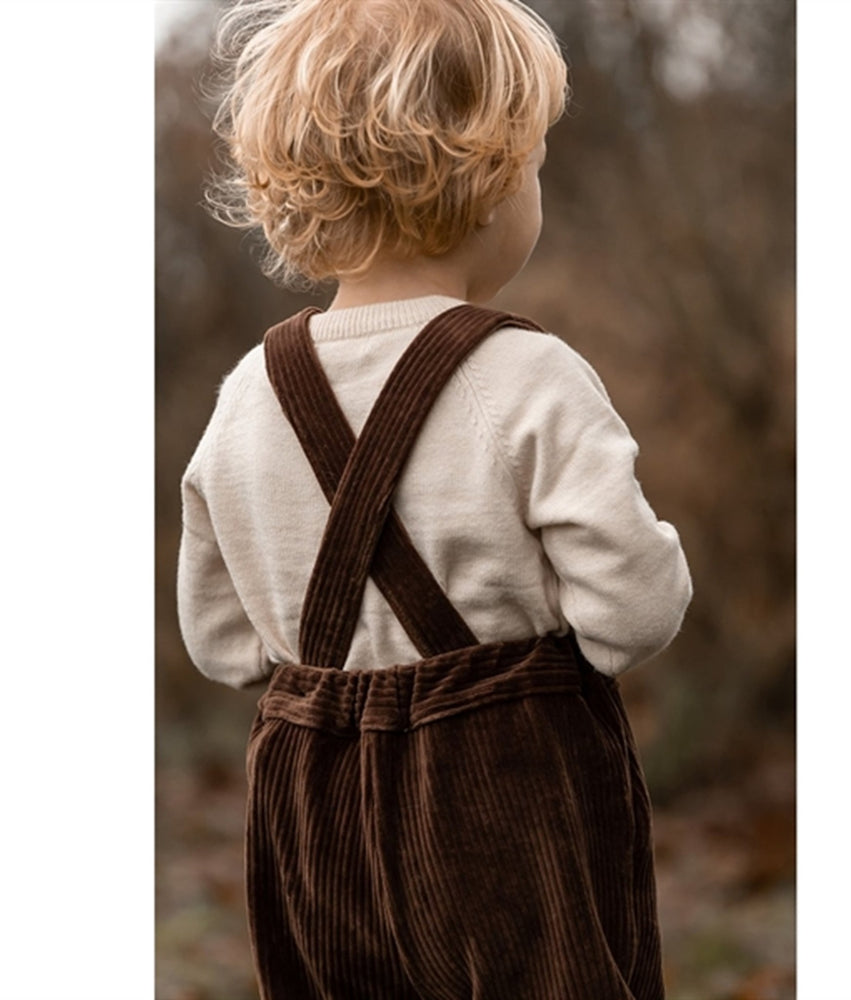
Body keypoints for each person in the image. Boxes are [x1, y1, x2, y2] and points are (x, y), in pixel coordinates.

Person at [177, 0, 692, 997]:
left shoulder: (247, 395)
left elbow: (222, 643)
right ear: (489, 178)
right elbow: (632, 613)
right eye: (536, 163)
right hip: (509, 791)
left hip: (311, 801)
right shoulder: (529, 376)